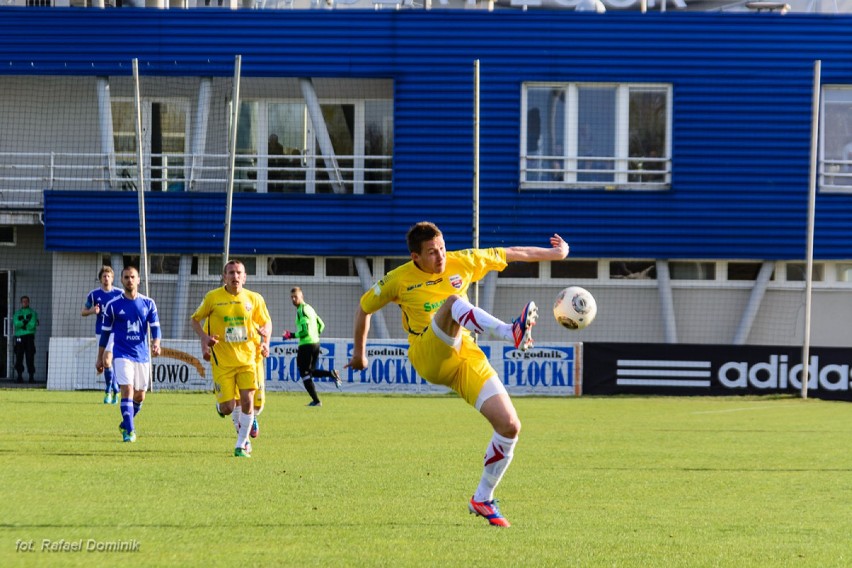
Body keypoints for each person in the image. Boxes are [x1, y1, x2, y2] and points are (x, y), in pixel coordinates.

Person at [346, 221, 569, 527]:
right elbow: (363, 308)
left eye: (442, 248)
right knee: (453, 303)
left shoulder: (461, 261)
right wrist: (360, 353)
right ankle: (509, 331)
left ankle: (483, 498)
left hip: (465, 357)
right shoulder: (397, 279)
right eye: (431, 253)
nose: (440, 256)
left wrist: (556, 254)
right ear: (415, 258)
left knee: (510, 426)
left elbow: (513, 252)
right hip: (428, 354)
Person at [190, 259, 271, 458]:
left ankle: (242, 444)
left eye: (238, 273)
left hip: (248, 360)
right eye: (231, 273)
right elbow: (195, 319)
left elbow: (266, 323)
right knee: (228, 407)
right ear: (224, 277)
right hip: (223, 362)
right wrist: (205, 339)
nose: (235, 276)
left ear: (244, 277)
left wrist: (266, 341)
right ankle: (222, 407)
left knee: (249, 402)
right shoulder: (212, 298)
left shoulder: (254, 299)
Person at [95, 267, 162, 443]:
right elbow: (105, 334)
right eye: (126, 277)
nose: (129, 280)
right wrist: (100, 357)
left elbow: (155, 327)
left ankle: (126, 422)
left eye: (133, 277)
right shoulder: (113, 305)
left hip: (142, 355)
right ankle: (130, 431)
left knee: (140, 396)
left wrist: (156, 343)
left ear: (138, 280)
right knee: (127, 390)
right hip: (122, 353)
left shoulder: (148, 303)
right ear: (122, 280)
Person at [282, 286, 342, 407]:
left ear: (301, 296)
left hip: (306, 345)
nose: (293, 299)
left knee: (304, 374)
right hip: (315, 343)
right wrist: (316, 334)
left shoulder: (301, 311)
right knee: (311, 371)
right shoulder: (310, 308)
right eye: (292, 297)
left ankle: (316, 401)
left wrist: (291, 335)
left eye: (296, 297)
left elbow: (305, 331)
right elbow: (321, 324)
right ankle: (331, 374)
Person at [82, 266, 124, 403]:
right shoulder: (94, 295)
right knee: (106, 363)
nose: (106, 278)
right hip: (101, 332)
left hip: (115, 332)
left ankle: (108, 391)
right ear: (100, 278)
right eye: (104, 276)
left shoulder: (120, 294)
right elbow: (83, 311)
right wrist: (92, 311)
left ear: (112, 278)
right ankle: (115, 388)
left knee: (107, 360)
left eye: (108, 276)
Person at [13, 295, 38, 382]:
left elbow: (32, 325)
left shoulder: (33, 313)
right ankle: (19, 376)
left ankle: (31, 376)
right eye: (23, 301)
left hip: (29, 337)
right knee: (19, 356)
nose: (25, 302)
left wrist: (22, 323)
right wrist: (26, 321)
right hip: (19, 337)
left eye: (26, 301)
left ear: (29, 302)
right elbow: (16, 324)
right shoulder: (17, 313)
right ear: (21, 302)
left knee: (30, 356)